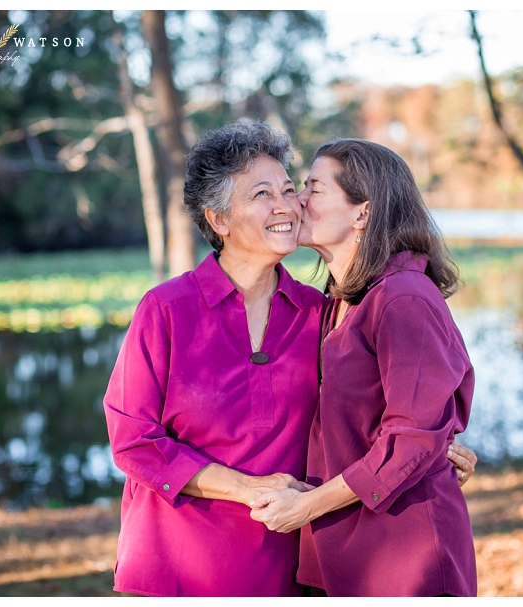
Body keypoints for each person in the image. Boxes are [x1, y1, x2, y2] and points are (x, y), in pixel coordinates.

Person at [103, 121, 477, 597]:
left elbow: (386, 411)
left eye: (289, 187)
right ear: (218, 219)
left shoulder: (320, 313)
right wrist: (246, 488)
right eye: (262, 194)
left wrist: (435, 448)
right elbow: (134, 440)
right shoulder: (166, 309)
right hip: (177, 562)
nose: (287, 204)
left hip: (287, 561)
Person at [250, 139, 477, 596]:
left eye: (314, 188)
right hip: (346, 553)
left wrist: (308, 505)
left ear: (362, 212)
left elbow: (411, 437)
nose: (298, 201)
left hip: (404, 558)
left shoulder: (404, 298)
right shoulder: (344, 301)